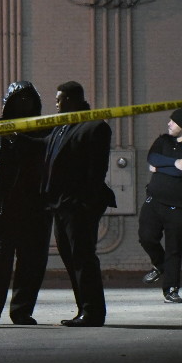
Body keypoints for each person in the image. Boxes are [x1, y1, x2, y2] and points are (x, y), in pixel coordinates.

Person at [0, 81, 52, 325]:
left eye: (28, 99)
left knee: (32, 262)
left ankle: (22, 311)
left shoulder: (44, 130)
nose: (24, 104)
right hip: (1, 206)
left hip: (35, 207)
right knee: (0, 262)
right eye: (20, 99)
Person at [41, 81, 117, 326]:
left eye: (60, 99)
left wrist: (83, 201)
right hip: (60, 204)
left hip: (77, 205)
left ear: (73, 100)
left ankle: (92, 312)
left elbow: (97, 170)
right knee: (70, 257)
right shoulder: (61, 127)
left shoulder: (94, 127)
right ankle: (83, 308)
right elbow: (45, 148)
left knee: (83, 257)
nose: (56, 103)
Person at [138, 107, 182, 304]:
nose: (169, 124)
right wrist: (174, 162)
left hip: (179, 207)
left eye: (173, 121)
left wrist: (160, 168)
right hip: (154, 201)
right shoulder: (163, 141)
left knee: (174, 248)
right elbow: (152, 158)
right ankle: (160, 265)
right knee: (146, 237)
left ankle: (171, 289)